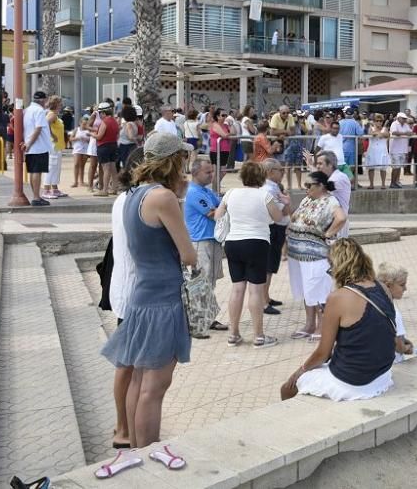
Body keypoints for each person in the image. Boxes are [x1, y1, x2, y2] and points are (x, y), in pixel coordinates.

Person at [99, 132, 196, 458]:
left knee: (139, 382)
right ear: (173, 161)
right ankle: (150, 458)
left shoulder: (133, 194)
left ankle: (136, 455)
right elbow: (188, 254)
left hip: (142, 295)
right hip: (164, 298)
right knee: (154, 390)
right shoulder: (163, 198)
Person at [281, 238, 396, 401]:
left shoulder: (338, 298)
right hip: (382, 373)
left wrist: (300, 370)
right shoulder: (382, 288)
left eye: (331, 266)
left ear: (339, 266)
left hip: (354, 381)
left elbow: (323, 353)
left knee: (287, 388)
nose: (331, 272)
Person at [215, 161, 286, 349]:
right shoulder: (265, 196)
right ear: (262, 177)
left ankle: (233, 334)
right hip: (257, 242)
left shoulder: (230, 193)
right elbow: (278, 218)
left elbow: (218, 215)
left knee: (237, 288)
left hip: (233, 243)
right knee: (255, 290)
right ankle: (258, 336)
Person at [108, 147, 145, 450]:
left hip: (130, 290)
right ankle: (123, 428)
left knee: (131, 365)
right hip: (135, 292)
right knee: (129, 365)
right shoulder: (134, 201)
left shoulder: (127, 199)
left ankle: (127, 425)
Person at [287, 170, 348, 341]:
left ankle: (323, 326)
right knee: (308, 290)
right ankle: (309, 324)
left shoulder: (330, 201)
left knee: (320, 290)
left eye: (309, 185)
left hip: (316, 254)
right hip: (298, 253)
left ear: (321, 185)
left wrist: (328, 234)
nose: (306, 188)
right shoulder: (308, 199)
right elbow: (296, 218)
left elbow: (341, 218)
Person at [184, 160, 227, 337]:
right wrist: (222, 207)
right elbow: (214, 214)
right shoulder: (194, 192)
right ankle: (196, 321)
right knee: (200, 283)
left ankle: (208, 317)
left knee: (210, 281)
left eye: (212, 172)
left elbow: (222, 206)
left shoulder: (206, 191)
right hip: (201, 241)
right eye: (208, 173)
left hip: (213, 240)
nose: (211, 175)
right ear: (195, 173)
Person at [262, 159, 291, 315]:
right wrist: (287, 202)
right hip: (272, 228)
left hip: (275, 229)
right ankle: (263, 301)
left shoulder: (272, 187)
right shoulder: (269, 189)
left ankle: (266, 296)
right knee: (268, 266)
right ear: (270, 171)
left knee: (271, 266)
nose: (283, 172)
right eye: (280, 170)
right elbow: (283, 212)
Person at [376, 263, 413, 363]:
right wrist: (407, 347)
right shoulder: (393, 312)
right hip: (392, 362)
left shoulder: (373, 303)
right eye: (402, 285)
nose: (405, 289)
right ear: (388, 285)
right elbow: (398, 347)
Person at [22, 90, 53, 206]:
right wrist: (29, 144)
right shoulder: (39, 111)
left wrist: (27, 143)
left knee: (33, 172)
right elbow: (38, 129)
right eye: (46, 99)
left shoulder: (27, 110)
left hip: (31, 146)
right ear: (42, 100)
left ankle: (35, 196)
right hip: (38, 146)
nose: (47, 102)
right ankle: (36, 197)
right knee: (37, 172)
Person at [91, 102, 120, 197]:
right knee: (113, 168)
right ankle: (114, 188)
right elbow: (116, 133)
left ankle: (104, 190)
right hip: (113, 145)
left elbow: (99, 136)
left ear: (103, 113)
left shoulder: (105, 121)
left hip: (104, 146)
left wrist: (91, 134)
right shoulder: (114, 121)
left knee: (106, 169)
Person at [338, 108, 365, 188]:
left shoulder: (340, 122)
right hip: (350, 148)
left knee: (342, 166)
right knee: (351, 167)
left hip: (341, 148)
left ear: (345, 114)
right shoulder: (355, 123)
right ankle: (349, 183)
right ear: (353, 114)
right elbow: (360, 134)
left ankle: (343, 183)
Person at [364, 113, 391, 189]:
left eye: (380, 121)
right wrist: (378, 133)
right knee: (371, 167)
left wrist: (378, 133)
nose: (379, 122)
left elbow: (387, 134)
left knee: (383, 168)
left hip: (382, 150)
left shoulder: (385, 128)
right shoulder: (371, 128)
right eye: (377, 121)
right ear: (374, 121)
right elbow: (370, 133)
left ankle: (383, 184)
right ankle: (371, 184)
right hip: (372, 150)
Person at [207, 108, 230, 192]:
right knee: (216, 172)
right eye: (223, 115)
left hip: (225, 150)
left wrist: (231, 125)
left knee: (223, 171)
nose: (225, 117)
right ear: (217, 116)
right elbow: (224, 135)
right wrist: (228, 134)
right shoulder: (215, 124)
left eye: (226, 115)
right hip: (216, 150)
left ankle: (215, 189)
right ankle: (214, 190)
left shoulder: (226, 125)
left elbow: (234, 132)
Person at [388, 112, 412, 189]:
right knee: (396, 167)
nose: (405, 120)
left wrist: (408, 133)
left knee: (399, 167)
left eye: (405, 118)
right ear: (398, 118)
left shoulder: (406, 125)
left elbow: (410, 133)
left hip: (403, 149)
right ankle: (392, 183)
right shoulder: (394, 124)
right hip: (395, 150)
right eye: (403, 118)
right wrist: (405, 133)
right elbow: (394, 132)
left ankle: (396, 182)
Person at [117, 105, 143, 172]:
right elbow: (140, 136)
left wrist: (135, 140)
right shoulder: (135, 123)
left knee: (126, 165)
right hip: (131, 146)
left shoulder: (129, 124)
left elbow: (130, 136)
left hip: (126, 147)